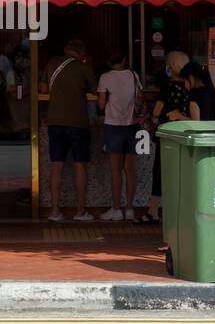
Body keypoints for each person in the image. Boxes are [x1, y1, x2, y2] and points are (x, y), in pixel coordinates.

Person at [40, 37, 96, 222]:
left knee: (57, 166)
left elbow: (43, 88)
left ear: (66, 48)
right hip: (78, 122)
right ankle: (80, 211)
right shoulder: (83, 67)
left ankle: (55, 211)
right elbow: (96, 90)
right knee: (80, 165)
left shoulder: (51, 63)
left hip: (55, 121)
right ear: (82, 52)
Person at [138, 50, 190, 226]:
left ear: (170, 67)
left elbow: (157, 111)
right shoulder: (190, 87)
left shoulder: (167, 87)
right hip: (185, 133)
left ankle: (153, 211)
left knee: (160, 173)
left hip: (167, 133)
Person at [96, 49, 143, 222]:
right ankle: (129, 209)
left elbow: (101, 105)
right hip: (132, 126)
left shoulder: (105, 77)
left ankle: (116, 209)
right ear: (124, 59)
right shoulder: (133, 75)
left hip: (113, 126)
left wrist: (105, 99)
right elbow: (140, 99)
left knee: (115, 170)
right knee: (130, 170)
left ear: (108, 62)